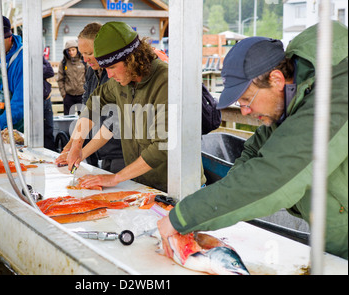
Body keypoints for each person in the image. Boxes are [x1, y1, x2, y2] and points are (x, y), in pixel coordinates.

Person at [158, 22, 348, 260]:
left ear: (277, 79)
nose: (245, 111)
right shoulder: (293, 101)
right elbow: (253, 155)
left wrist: (183, 217)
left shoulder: (336, 95)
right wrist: (216, 198)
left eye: (247, 99)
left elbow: (273, 175)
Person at [57, 21, 172, 192]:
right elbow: (96, 100)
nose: (109, 75)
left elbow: (164, 145)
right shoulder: (122, 81)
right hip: (142, 185)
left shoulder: (166, 80)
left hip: (171, 187)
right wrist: (77, 145)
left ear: (132, 59)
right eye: (105, 68)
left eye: (112, 67)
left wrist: (116, 177)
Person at [59, 22, 125, 173]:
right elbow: (88, 110)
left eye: (89, 53)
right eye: (83, 54)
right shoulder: (91, 72)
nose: (85, 59)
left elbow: (113, 123)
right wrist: (70, 146)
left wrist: (80, 153)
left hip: (123, 152)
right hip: (103, 150)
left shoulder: (118, 75)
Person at [57, 40, 86, 115]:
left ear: (77, 49)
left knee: (83, 120)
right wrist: (63, 94)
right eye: (69, 50)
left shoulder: (84, 62)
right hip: (68, 95)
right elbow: (60, 79)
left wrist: (87, 92)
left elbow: (89, 78)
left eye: (73, 50)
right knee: (69, 121)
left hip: (82, 95)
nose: (71, 52)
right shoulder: (63, 63)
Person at [43, 57, 56, 151]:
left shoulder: (40, 58)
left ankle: (51, 152)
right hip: (35, 101)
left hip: (46, 98)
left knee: (49, 128)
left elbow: (50, 72)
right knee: (38, 131)